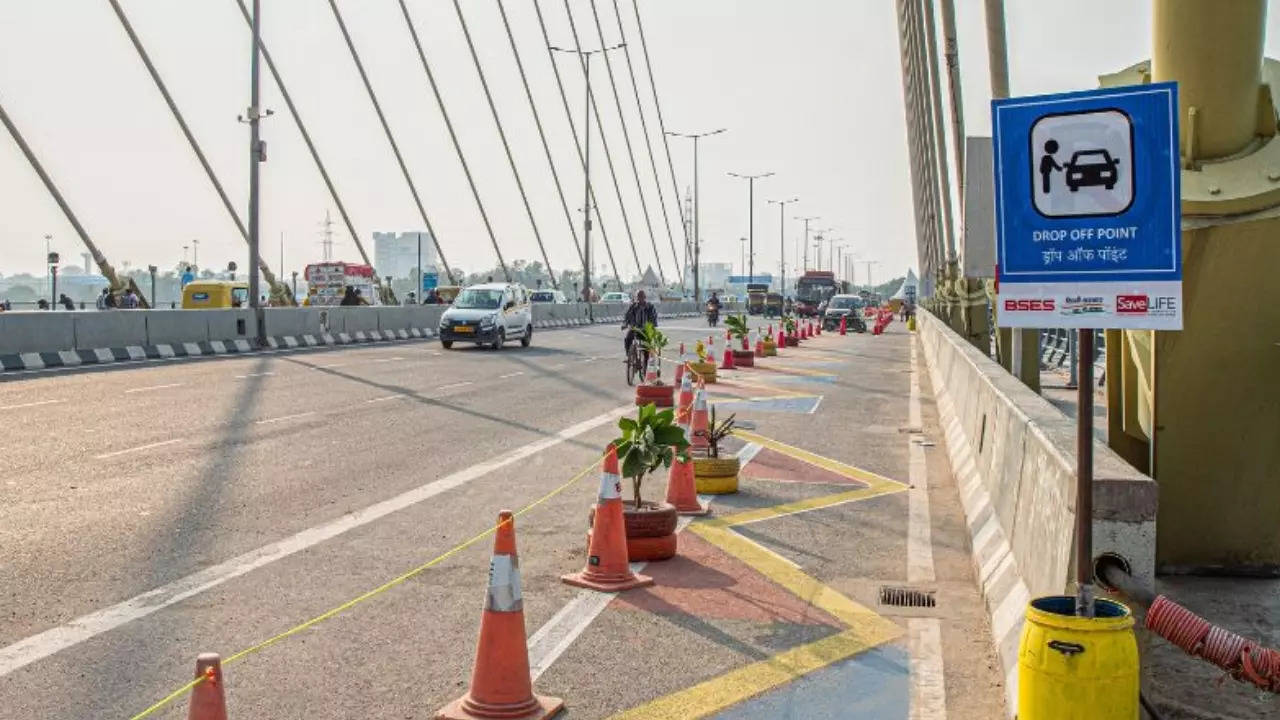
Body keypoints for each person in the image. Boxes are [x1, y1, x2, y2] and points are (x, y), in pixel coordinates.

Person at [622, 289, 658, 368]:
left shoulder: (650, 307)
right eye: (638, 297)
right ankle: (629, 356)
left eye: (641, 296)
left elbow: (653, 318)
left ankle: (645, 364)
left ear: (645, 297)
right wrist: (625, 324)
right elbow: (627, 316)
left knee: (646, 348)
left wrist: (652, 327)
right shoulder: (633, 306)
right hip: (635, 329)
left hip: (646, 330)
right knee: (627, 338)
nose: (639, 298)